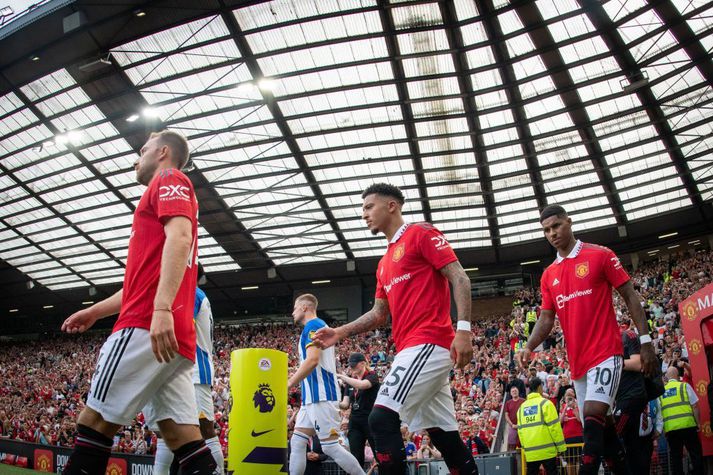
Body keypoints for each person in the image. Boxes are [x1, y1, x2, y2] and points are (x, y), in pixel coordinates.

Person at [60, 130, 217, 474]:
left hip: (147, 324)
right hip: (171, 338)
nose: (136, 158)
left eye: (142, 149)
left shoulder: (169, 177)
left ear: (162, 152)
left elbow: (180, 236)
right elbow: (139, 283)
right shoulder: (165, 190)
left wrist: (160, 309)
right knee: (183, 438)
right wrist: (94, 311)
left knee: (93, 424)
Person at [312, 183, 477, 475]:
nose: (364, 214)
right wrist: (340, 332)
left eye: (368, 207)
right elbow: (378, 313)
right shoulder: (384, 263)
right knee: (444, 436)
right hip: (411, 348)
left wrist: (463, 330)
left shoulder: (420, 234)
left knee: (381, 418)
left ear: (392, 206)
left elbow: (460, 277)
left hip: (428, 342)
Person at [516, 204, 657, 474]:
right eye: (546, 230)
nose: (552, 233)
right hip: (578, 363)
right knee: (603, 431)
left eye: (556, 226)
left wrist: (646, 341)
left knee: (592, 419)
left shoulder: (600, 255)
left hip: (606, 352)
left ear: (569, 222)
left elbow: (629, 295)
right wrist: (528, 346)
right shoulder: (548, 275)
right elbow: (546, 319)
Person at [154, 265, 224, 474]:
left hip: (195, 370)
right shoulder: (190, 293)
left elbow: (182, 326)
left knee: (205, 429)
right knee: (165, 429)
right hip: (179, 370)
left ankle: (219, 471)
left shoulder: (192, 293)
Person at [287, 294, 365, 475]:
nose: (292, 312)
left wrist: (290, 382)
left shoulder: (313, 325)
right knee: (297, 442)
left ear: (304, 308)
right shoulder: (316, 326)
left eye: (295, 308)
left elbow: (313, 360)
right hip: (311, 398)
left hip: (321, 395)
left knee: (330, 447)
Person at [613, 320, 648, 475]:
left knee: (614, 435)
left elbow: (637, 363)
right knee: (631, 444)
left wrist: (613, 362)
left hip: (632, 396)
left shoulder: (628, 335)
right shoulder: (610, 342)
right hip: (623, 397)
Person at [338, 352, 380, 468]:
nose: (351, 368)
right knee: (356, 457)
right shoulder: (350, 381)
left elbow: (362, 385)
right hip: (355, 421)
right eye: (350, 365)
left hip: (370, 419)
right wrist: (334, 403)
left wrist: (342, 376)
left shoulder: (372, 376)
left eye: (354, 365)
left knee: (379, 455)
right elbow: (345, 404)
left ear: (363, 363)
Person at [659, 366, 703, 475]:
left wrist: (663, 429)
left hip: (671, 429)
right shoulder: (684, 386)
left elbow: (660, 413)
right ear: (677, 375)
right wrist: (698, 423)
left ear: (667, 377)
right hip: (688, 426)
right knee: (695, 455)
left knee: (676, 458)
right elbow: (695, 406)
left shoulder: (661, 391)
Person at [516, 378, 565, 475]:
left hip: (531, 453)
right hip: (547, 451)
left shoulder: (521, 408)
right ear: (539, 387)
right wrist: (561, 448)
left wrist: (526, 449)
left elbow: (520, 431)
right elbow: (554, 428)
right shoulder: (546, 404)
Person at [504, 386, 524, 451]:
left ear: (518, 392)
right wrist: (512, 425)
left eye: (515, 391)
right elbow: (506, 415)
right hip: (513, 426)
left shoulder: (523, 401)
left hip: (523, 426)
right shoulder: (508, 403)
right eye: (513, 391)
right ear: (510, 393)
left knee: (524, 443)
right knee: (511, 445)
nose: (514, 392)